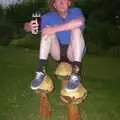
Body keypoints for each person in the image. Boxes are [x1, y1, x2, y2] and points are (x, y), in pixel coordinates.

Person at [24, 0, 85, 91]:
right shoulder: (49, 17)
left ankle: (76, 73)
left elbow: (79, 22)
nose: (61, 3)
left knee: (75, 30)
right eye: (58, 1)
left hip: (73, 52)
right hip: (57, 52)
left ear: (68, 3)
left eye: (64, 0)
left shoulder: (75, 11)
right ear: (54, 5)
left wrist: (54, 29)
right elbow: (27, 27)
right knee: (47, 31)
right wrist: (29, 26)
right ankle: (41, 70)